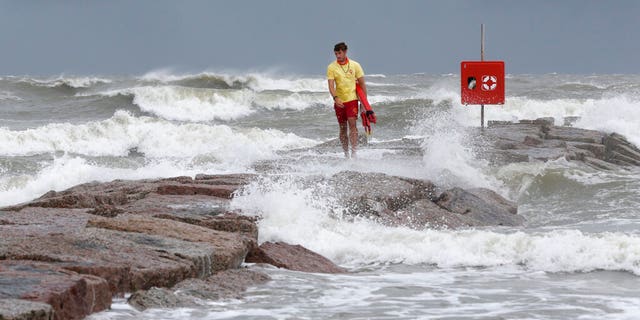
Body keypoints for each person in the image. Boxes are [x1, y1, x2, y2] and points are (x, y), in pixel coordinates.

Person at [327, 42, 367, 158]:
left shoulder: (355, 65)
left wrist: (363, 104)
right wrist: (335, 98)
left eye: (339, 53)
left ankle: (354, 154)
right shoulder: (331, 67)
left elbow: (362, 84)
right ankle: (346, 155)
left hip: (352, 100)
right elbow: (331, 86)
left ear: (345, 52)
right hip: (339, 102)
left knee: (352, 125)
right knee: (342, 128)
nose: (338, 56)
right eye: (336, 54)